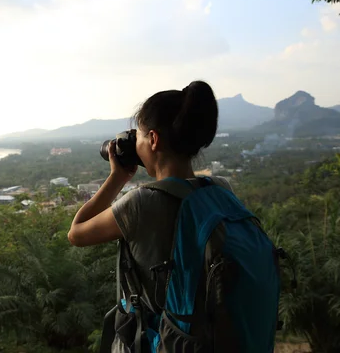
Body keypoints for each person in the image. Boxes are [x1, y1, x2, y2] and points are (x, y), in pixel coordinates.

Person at [68, 80, 279, 352]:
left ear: (153, 140)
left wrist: (117, 177)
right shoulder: (221, 188)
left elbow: (76, 233)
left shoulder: (141, 203)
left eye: (140, 136)